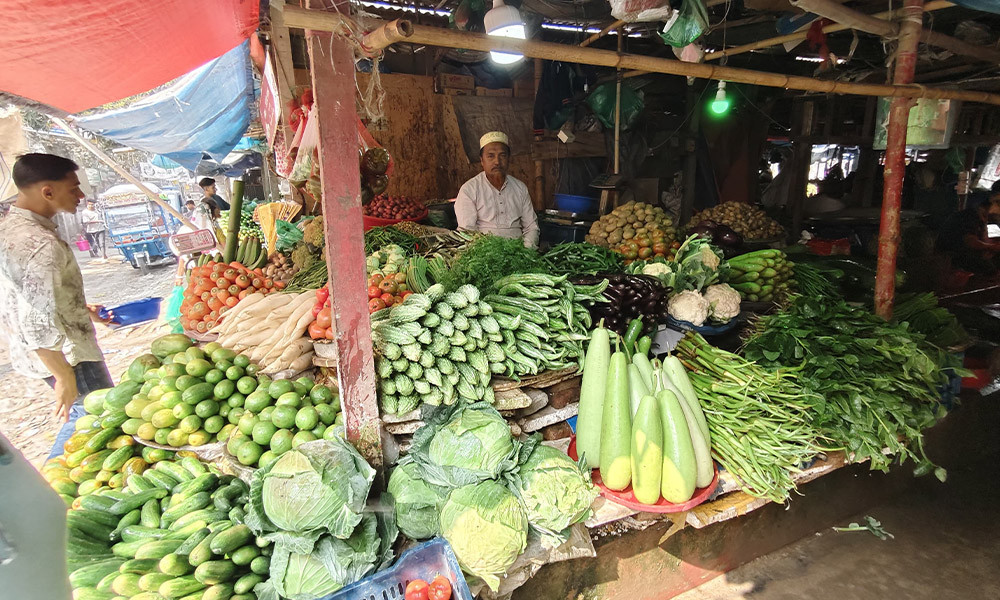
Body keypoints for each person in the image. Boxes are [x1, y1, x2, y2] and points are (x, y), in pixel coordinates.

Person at [0, 154, 113, 429]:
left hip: (47, 355)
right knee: (102, 427)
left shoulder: (10, 231)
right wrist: (64, 377)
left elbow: (27, 295)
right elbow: (36, 323)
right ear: (47, 192)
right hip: (70, 358)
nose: (82, 194)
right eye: (73, 187)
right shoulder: (40, 243)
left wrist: (80, 310)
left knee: (87, 424)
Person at [455, 131, 539, 248]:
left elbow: (531, 227)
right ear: (481, 160)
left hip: (518, 251)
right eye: (490, 156)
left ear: (509, 158)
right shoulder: (469, 190)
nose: (497, 162)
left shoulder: (520, 188)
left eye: (502, 155)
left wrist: (526, 251)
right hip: (484, 254)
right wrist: (485, 254)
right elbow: (467, 232)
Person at [936, 189, 1000, 275]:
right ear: (981, 207)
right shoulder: (968, 216)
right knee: (989, 271)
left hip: (963, 257)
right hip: (950, 259)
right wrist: (991, 247)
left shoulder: (982, 218)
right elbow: (970, 242)